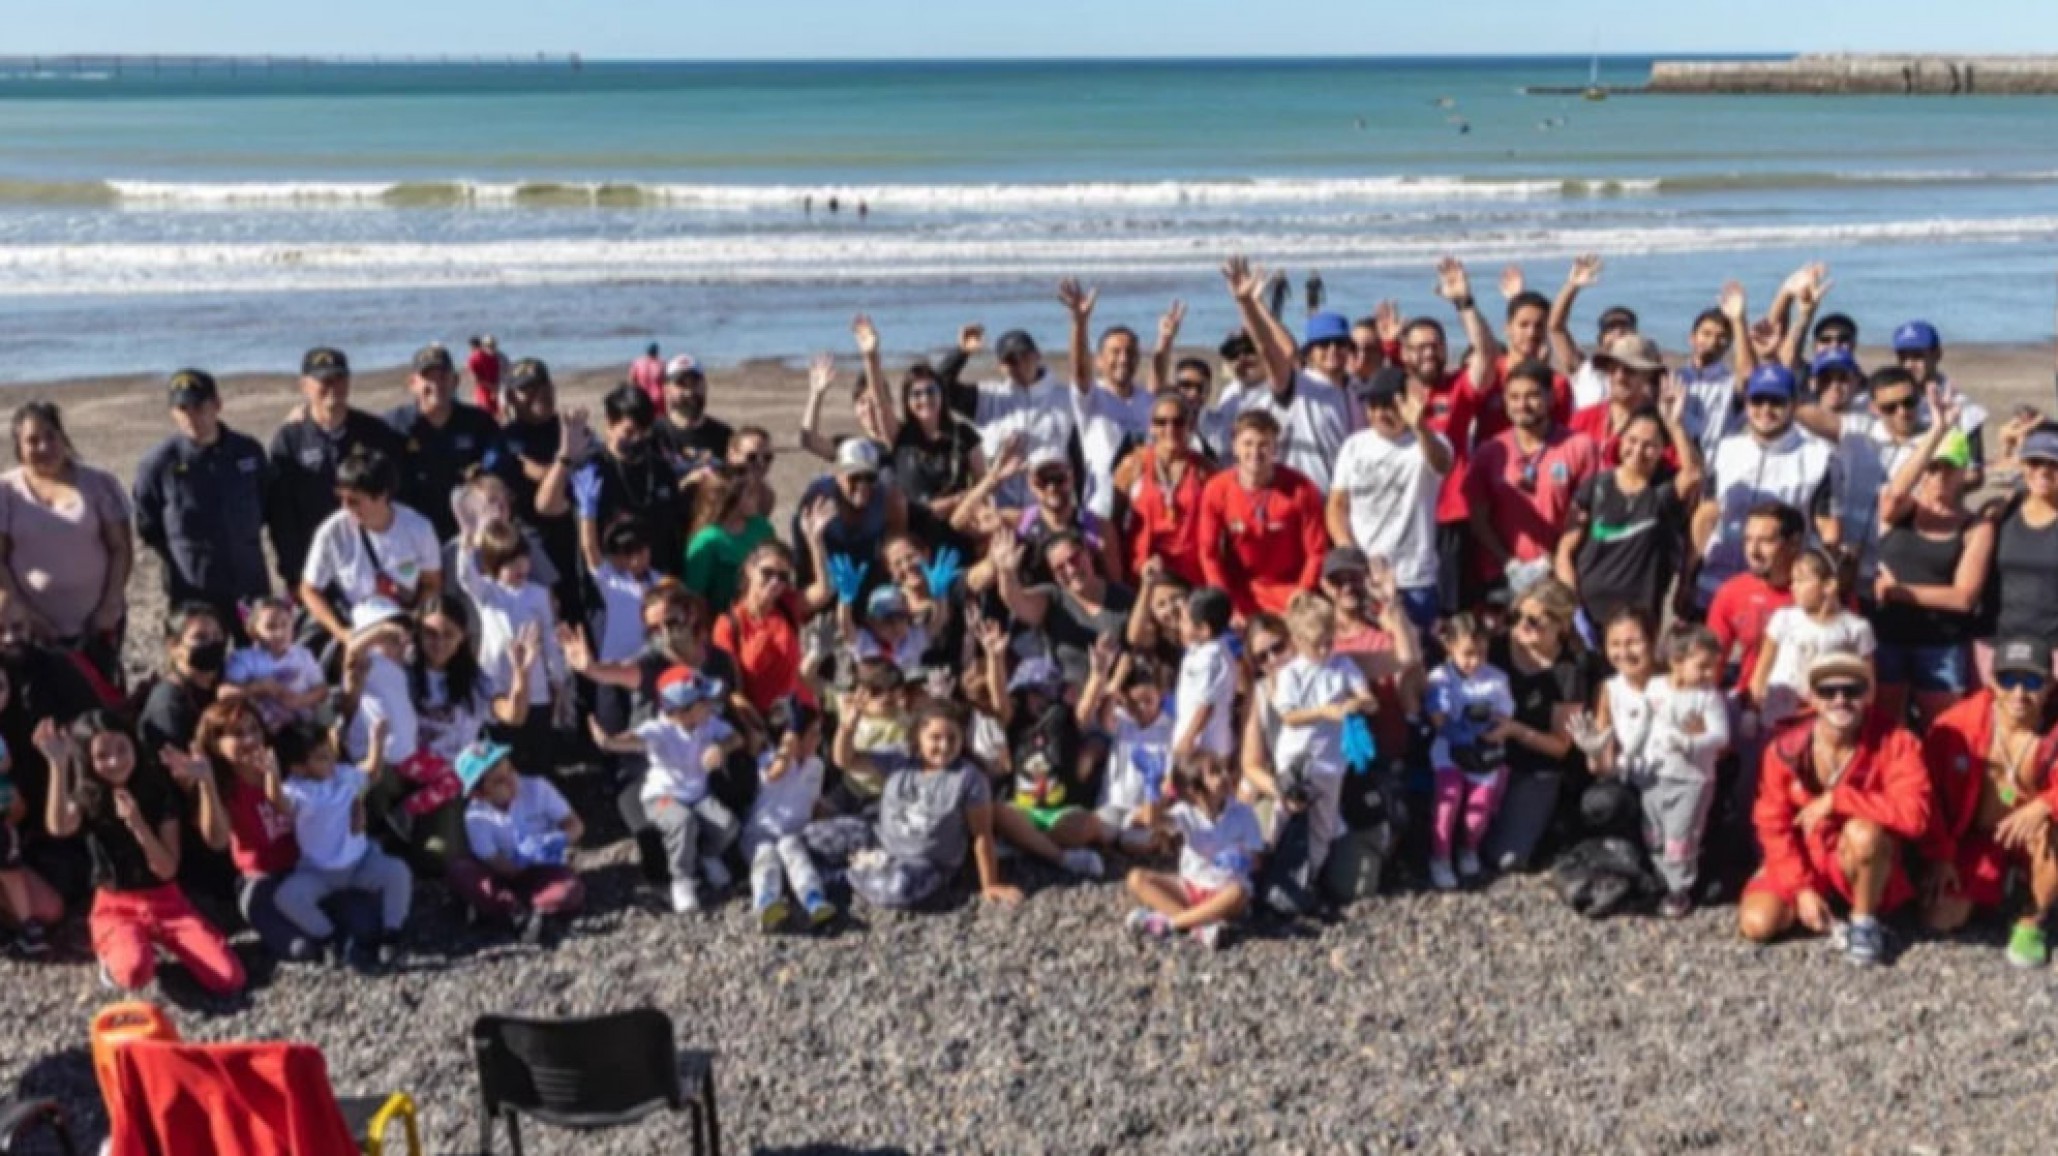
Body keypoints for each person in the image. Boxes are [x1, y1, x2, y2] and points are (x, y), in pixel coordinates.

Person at [1739, 651, 1931, 967]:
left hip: (1858, 855)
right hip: (1806, 855)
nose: (1840, 700)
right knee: (1757, 923)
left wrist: (1838, 800)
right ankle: (1816, 906)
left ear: (1868, 695)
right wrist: (1801, 888)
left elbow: (1915, 816)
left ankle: (1864, 922)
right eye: (1828, 691)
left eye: (1852, 690)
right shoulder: (1784, 749)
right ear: (1812, 698)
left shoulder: (1898, 742)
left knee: (1863, 832)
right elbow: (1772, 825)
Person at [37, 711, 245, 996]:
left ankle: (149, 944)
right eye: (102, 755)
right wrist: (58, 766)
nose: (115, 761)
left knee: (230, 977)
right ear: (88, 759)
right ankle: (117, 949)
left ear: (134, 745)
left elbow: (167, 869)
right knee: (134, 972)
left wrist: (137, 824)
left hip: (166, 899)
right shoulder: (89, 795)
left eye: (122, 749)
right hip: (115, 903)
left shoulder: (157, 790)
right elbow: (59, 826)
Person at [1919, 637, 2058, 967]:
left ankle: (2033, 919)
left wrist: (2046, 804)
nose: (2019, 694)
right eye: (2009, 680)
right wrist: (1941, 854)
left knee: (2053, 830)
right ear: (1992, 682)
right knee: (1940, 918)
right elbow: (1927, 794)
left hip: (2034, 838)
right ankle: (2004, 889)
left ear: (2050, 685)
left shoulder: (2052, 728)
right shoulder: (1956, 725)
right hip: (1977, 838)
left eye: (2032, 682)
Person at [830, 700, 1018, 908]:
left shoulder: (969, 778)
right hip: (882, 842)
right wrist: (846, 729)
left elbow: (982, 835)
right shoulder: (900, 757)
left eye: (952, 738)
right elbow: (845, 761)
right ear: (919, 736)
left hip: (926, 864)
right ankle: (859, 868)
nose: (944, 746)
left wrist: (990, 884)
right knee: (813, 836)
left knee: (898, 888)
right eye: (935, 738)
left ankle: (843, 876)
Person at [1871, 402, 1991, 725]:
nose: (1939, 477)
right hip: (1888, 636)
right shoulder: (1902, 510)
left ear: (1963, 473)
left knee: (1945, 731)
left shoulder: (1974, 527)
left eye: (1949, 468)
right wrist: (1936, 430)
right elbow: (1893, 494)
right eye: (1932, 468)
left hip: (1939, 643)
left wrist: (1897, 591)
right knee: (1885, 728)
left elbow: (1963, 597)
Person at [0, 401, 134, 682]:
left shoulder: (99, 483)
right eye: (32, 440)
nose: (44, 447)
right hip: (32, 628)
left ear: (63, 438)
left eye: (51, 436)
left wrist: (110, 605)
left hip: (97, 624)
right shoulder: (6, 492)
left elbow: (121, 548)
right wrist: (24, 613)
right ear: (19, 447)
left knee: (98, 695)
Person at [593, 666, 743, 915]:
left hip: (698, 795)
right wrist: (609, 742)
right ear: (683, 711)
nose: (710, 705)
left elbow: (736, 738)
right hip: (662, 798)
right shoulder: (659, 730)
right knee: (682, 821)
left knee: (727, 825)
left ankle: (706, 855)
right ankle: (682, 880)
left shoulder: (708, 723)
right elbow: (633, 739)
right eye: (704, 702)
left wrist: (721, 748)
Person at [133, 369, 271, 631]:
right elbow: (148, 525)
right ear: (172, 412)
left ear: (217, 405)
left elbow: (266, 505)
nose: (191, 416)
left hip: (248, 581)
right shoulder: (158, 463)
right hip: (193, 586)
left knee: (258, 652)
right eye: (182, 409)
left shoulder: (248, 451)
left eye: (198, 407)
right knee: (199, 653)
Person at [1690, 364, 1835, 612]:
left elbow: (1827, 531)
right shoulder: (1726, 450)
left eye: (1776, 401)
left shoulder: (1818, 457)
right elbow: (1706, 516)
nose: (1766, 409)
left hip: (1781, 596)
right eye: (1757, 401)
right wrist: (1688, 577)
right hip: (1716, 586)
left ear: (1794, 404)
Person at [1555, 392, 1702, 631]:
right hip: (1587, 615)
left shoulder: (1662, 495)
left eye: (1649, 445)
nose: (1638, 450)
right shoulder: (1596, 487)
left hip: (1637, 624)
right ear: (1621, 439)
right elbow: (1565, 551)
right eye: (1632, 440)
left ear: (1663, 449)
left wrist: (1674, 424)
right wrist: (1573, 607)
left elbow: (1693, 474)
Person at [268, 720, 410, 968]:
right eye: (321, 758)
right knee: (287, 897)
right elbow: (279, 803)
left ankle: (392, 933)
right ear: (299, 768)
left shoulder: (343, 775)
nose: (331, 760)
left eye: (329, 752)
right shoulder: (298, 791)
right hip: (317, 871)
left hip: (359, 862)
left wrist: (376, 741)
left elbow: (372, 773)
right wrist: (270, 775)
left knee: (397, 872)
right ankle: (329, 936)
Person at [264, 347, 403, 592]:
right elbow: (281, 516)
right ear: (305, 386)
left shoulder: (374, 431)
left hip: (371, 558)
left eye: (340, 378)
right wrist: (293, 573)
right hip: (314, 563)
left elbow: (394, 496)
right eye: (325, 380)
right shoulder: (290, 439)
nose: (334, 387)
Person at [1481, 580, 1598, 872]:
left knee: (1506, 858)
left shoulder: (1569, 670)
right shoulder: (1495, 648)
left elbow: (1560, 746)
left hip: (1536, 765)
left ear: (1561, 625)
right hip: (1488, 757)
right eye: (1517, 616)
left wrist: (1515, 730)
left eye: (1533, 620)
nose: (1522, 624)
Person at [1215, 257, 1359, 490]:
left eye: (1340, 343)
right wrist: (1248, 304)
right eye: (1323, 344)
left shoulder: (1357, 390)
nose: (1333, 350)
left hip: (1346, 500)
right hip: (1302, 499)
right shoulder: (1297, 385)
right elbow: (1268, 347)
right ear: (1310, 352)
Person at [1327, 367, 1453, 631]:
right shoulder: (1353, 446)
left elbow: (1442, 464)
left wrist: (1420, 427)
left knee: (1417, 651)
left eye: (1388, 405)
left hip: (1413, 579)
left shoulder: (1430, 442)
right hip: (1364, 580)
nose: (1379, 414)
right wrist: (1350, 552)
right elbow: (1337, 506)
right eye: (1372, 406)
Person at [1464, 361, 1602, 599]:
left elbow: (1585, 515)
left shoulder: (1580, 447)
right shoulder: (1490, 451)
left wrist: (1553, 559)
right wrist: (1510, 563)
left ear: (1550, 398)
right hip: (1503, 576)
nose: (1522, 405)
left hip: (1558, 574)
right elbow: (1478, 519)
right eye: (1514, 397)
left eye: (1532, 396)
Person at [1268, 592, 1378, 881]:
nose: (1325, 649)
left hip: (1330, 762)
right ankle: (1270, 871)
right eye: (1318, 644)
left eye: (1330, 641)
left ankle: (1310, 878)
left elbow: (1367, 698)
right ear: (1298, 641)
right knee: (1283, 815)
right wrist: (1323, 712)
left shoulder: (1342, 665)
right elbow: (1289, 716)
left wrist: (1359, 703)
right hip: (1294, 760)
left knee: (1323, 824)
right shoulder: (1291, 674)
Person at [298, 449, 443, 647]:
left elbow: (432, 583)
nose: (345, 508)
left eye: (354, 501)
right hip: (355, 628)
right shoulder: (332, 533)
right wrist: (341, 633)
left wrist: (414, 618)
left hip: (403, 628)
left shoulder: (419, 529)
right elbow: (309, 589)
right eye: (341, 499)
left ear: (382, 495)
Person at [1123, 754, 1264, 950]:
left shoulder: (1243, 813)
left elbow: (1258, 860)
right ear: (1194, 790)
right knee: (1136, 878)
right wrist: (1151, 790)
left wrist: (1241, 860)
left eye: (1222, 769)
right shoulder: (1185, 812)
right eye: (1215, 772)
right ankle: (1199, 928)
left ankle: (1171, 923)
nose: (1224, 775)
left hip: (1223, 891)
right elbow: (1153, 822)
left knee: (1238, 893)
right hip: (1190, 887)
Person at [450, 740, 585, 944]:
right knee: (460, 870)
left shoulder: (537, 788)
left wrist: (558, 840)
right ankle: (517, 913)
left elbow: (575, 825)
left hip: (543, 870)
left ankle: (504, 911)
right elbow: (493, 859)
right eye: (499, 781)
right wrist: (519, 862)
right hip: (501, 872)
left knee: (568, 891)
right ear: (479, 793)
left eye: (510, 770)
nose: (511, 780)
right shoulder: (476, 815)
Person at [1197, 410, 1327, 620]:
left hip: (1289, 590)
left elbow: (1317, 551)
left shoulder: (1301, 489)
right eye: (1247, 444)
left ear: (1275, 447)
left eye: (1263, 444)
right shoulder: (1217, 489)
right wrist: (1224, 601)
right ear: (1235, 446)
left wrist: (1303, 592)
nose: (1255, 452)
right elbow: (1208, 553)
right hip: (1240, 592)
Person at [937, 320, 1075, 512]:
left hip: (1050, 509)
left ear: (1037, 355)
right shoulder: (989, 398)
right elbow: (939, 387)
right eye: (1011, 360)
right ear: (1001, 367)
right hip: (1002, 511)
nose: (1019, 364)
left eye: (1024, 356)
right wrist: (961, 352)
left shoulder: (1066, 397)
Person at [1425, 614, 1514, 890]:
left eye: (1482, 653)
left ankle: (1469, 848)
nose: (1475, 661)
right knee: (1448, 802)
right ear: (1449, 646)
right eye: (1467, 654)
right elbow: (1438, 717)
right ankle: (1440, 857)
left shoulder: (1497, 679)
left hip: (1484, 753)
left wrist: (1493, 730)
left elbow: (1505, 715)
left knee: (1478, 812)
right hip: (1448, 751)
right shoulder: (1440, 678)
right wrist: (1454, 727)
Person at [384, 342, 505, 543]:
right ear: (412, 383)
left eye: (443, 376)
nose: (436, 384)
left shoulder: (479, 422)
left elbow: (497, 469)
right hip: (411, 532)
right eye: (428, 378)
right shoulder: (393, 425)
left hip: (468, 531)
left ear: (455, 380)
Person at [1749, 547, 1875, 733]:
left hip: (1824, 719)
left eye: (1801, 580)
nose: (1793, 587)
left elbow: (1867, 683)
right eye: (1792, 580)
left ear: (1829, 585)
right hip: (1778, 715)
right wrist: (1753, 709)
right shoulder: (1783, 619)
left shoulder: (1855, 628)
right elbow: (1762, 670)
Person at [574, 384, 690, 582]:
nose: (638, 439)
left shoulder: (660, 469)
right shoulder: (592, 469)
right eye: (629, 432)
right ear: (610, 424)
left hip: (657, 579)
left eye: (644, 431)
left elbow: (675, 528)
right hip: (608, 582)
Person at [1058, 279, 1155, 517]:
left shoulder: (1147, 400)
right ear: (1099, 361)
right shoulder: (1092, 398)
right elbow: (1079, 371)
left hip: (1143, 506)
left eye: (1130, 352)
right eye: (1115, 352)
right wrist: (1080, 322)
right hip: (1100, 507)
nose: (1123, 359)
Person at [991, 529, 1135, 687]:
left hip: (1120, 692)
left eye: (1074, 559)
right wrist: (1006, 573)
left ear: (1088, 554)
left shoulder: (1124, 597)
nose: (1071, 570)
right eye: (1060, 568)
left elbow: (1139, 647)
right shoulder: (1053, 599)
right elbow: (1016, 600)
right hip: (1072, 696)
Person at [743, 697, 836, 932]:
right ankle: (766, 901)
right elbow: (774, 774)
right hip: (760, 834)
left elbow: (812, 802)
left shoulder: (816, 766)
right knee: (766, 855)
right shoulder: (768, 760)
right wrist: (788, 745)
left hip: (792, 833)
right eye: (812, 734)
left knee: (794, 850)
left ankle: (812, 897)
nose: (818, 739)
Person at [1113, 391, 1212, 589]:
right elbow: (1114, 521)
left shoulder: (1205, 470)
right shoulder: (1133, 465)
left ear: (1190, 425)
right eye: (1161, 422)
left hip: (1191, 574)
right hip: (1143, 572)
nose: (1170, 429)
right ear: (1151, 426)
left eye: (1178, 422)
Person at [1983, 428, 2058, 682]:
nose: (2044, 471)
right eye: (2035, 462)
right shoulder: (2001, 513)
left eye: (2054, 464)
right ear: (2023, 466)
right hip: (2000, 644)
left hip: (2054, 649)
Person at [222, 595, 328, 734]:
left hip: (302, 726)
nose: (280, 633)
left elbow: (321, 690)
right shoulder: (244, 659)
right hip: (262, 731)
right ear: (253, 631)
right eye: (270, 627)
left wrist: (300, 700)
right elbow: (225, 694)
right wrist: (261, 687)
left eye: (285, 624)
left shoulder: (302, 655)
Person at [1546, 253, 1639, 412]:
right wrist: (1572, 286)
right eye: (1611, 328)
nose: (1618, 333)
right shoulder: (1586, 370)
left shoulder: (1644, 376)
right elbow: (1556, 328)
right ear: (1600, 339)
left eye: (1625, 328)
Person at [680, 466, 773, 618]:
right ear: (731, 501)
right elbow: (695, 595)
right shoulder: (706, 541)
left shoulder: (761, 526)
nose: (757, 498)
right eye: (750, 494)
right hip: (725, 619)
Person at [1173, 587, 1238, 763]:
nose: (1179, 625)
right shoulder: (1200, 649)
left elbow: (1206, 705)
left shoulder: (1211, 658)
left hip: (1205, 746)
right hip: (1192, 738)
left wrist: (1187, 739)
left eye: (1184, 621)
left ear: (1203, 629)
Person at [654, 354, 733, 472]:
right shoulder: (654, 435)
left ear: (704, 386)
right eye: (681, 385)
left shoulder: (724, 435)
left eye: (695, 383)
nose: (689, 392)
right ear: (667, 390)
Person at [467, 335, 504, 414]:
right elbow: (497, 374)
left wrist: (491, 387)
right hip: (494, 392)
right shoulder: (492, 357)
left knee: (483, 416)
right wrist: (495, 388)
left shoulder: (472, 358)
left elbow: (476, 379)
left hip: (483, 393)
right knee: (495, 416)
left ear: (471, 347)